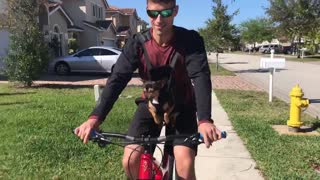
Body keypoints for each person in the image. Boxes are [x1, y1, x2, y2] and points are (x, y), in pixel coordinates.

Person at [75, 0, 222, 179]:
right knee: (130, 160)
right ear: (147, 12)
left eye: (166, 13)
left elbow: (200, 77)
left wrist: (205, 120)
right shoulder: (137, 43)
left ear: (175, 11)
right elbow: (117, 79)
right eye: (153, 14)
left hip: (182, 105)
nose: (159, 19)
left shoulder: (190, 41)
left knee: (184, 165)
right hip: (151, 104)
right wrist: (95, 118)